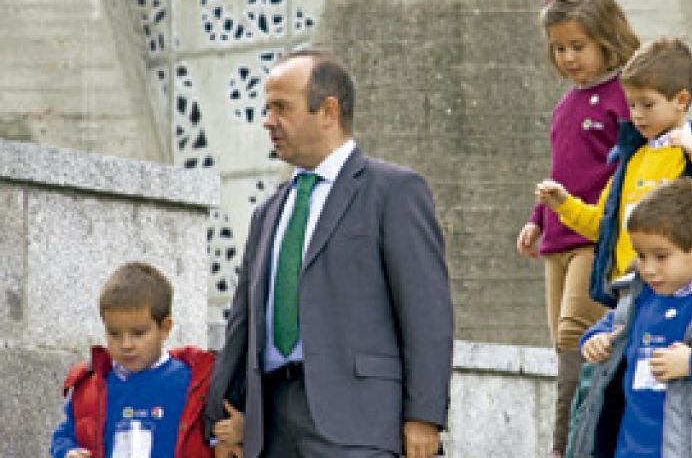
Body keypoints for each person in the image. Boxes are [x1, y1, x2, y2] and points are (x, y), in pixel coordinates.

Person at [204, 49, 454, 458]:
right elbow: (243, 325)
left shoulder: (393, 192)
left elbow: (427, 312)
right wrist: (220, 418)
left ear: (328, 111)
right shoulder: (267, 213)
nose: (268, 122)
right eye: (267, 109)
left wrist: (424, 416)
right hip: (269, 430)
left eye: (281, 108)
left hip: (360, 424)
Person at [536, 37, 692, 310]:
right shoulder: (632, 159)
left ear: (681, 100)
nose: (637, 115)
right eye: (632, 105)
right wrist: (563, 204)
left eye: (647, 104)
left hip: (684, 302)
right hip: (628, 298)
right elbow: (605, 227)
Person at [516, 0, 640, 457]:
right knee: (565, 350)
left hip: (597, 239)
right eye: (559, 48)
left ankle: (565, 446)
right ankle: (586, 437)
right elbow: (562, 170)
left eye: (578, 47)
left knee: (576, 337)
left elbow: (625, 169)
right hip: (557, 241)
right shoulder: (565, 105)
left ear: (607, 38)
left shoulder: (624, 97)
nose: (568, 58)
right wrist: (536, 217)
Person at [569, 177, 692, 457]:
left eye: (660, 257)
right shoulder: (638, 300)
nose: (648, 269)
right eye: (641, 255)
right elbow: (609, 328)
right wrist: (594, 340)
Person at [49, 262, 216, 458]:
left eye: (138, 333)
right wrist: (68, 452)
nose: (126, 344)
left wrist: (238, 429)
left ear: (165, 328)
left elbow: (220, 440)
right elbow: (64, 434)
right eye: (114, 333)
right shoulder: (90, 387)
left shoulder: (195, 384)